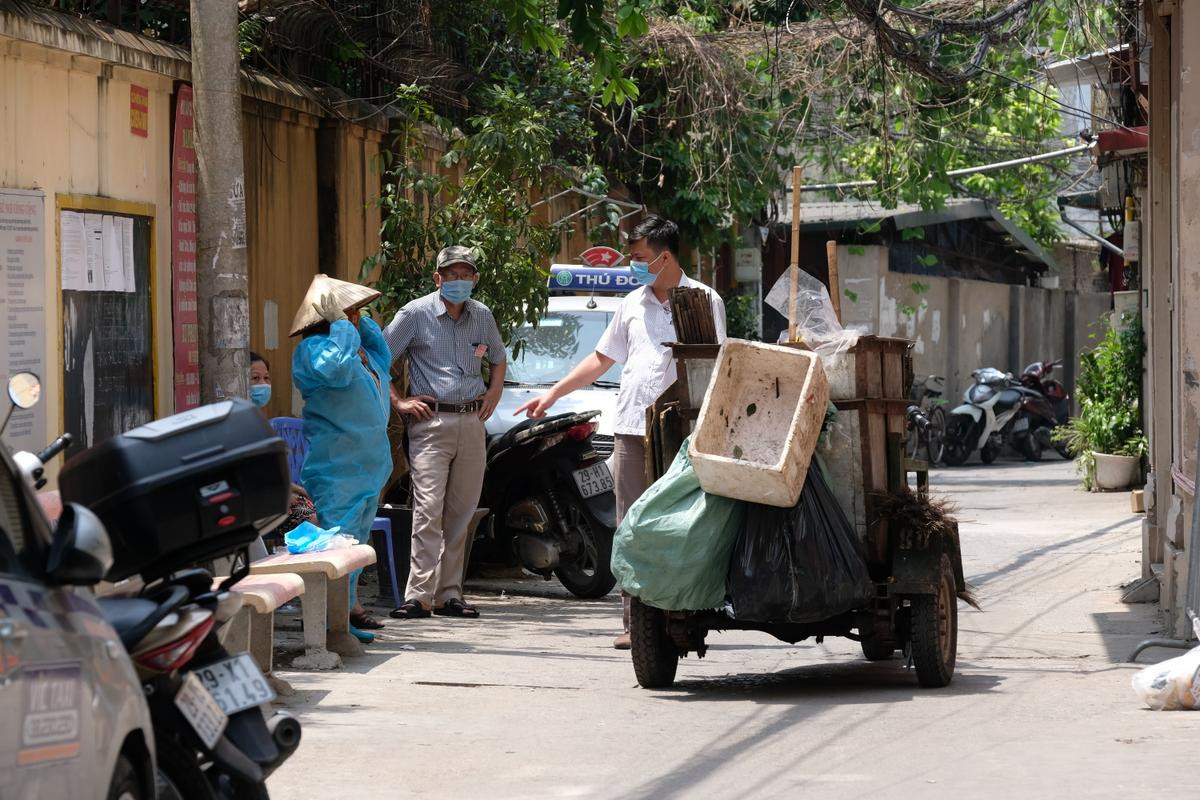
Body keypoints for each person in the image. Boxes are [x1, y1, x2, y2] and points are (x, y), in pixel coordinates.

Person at [514, 215, 726, 649]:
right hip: (631, 428)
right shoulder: (631, 304)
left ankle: (683, 610)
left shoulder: (704, 300)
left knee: (681, 522)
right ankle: (635, 621)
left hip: (683, 432)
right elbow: (600, 360)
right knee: (630, 524)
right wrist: (552, 394)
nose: (634, 265)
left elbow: (715, 365)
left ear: (665, 256)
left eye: (639, 258)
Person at [383, 245, 506, 620]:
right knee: (428, 508)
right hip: (430, 423)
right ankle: (418, 596)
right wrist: (400, 402)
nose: (457, 281)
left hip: (471, 422)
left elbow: (498, 359)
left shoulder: (482, 315)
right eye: (450, 274)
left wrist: (494, 392)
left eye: (464, 274)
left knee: (461, 510)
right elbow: (377, 359)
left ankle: (449, 594)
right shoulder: (414, 314)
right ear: (437, 278)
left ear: (475, 279)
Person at [291, 274, 393, 641]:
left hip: (368, 465)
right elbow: (333, 369)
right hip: (338, 467)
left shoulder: (357, 348)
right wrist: (339, 324)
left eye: (355, 312)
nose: (353, 317)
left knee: (356, 545)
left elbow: (385, 355)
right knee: (337, 544)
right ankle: (332, 620)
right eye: (347, 311)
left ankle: (346, 611)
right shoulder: (316, 350)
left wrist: (358, 321)